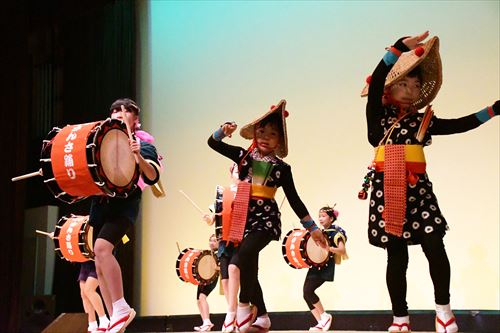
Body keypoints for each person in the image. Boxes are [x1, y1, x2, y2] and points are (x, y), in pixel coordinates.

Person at [360, 31, 499, 333]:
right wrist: (397, 49)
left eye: (416, 85)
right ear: (389, 89)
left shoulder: (424, 122)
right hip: (387, 194)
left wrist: (493, 110)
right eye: (403, 84)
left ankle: (443, 312)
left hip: (419, 193)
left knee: (435, 246)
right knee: (397, 257)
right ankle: (400, 318)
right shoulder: (377, 120)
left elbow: (461, 124)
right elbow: (378, 77)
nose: (410, 90)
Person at [208, 100, 327, 332]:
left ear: (279, 141)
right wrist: (223, 131)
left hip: (266, 220)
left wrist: (313, 228)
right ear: (254, 134)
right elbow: (213, 143)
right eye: (261, 132)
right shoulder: (242, 156)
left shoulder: (283, 168)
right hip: (242, 217)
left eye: (272, 134)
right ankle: (262, 316)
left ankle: (243, 306)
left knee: (245, 254)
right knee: (250, 265)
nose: (265, 137)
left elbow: (295, 200)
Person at [90, 98, 162, 333]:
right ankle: (114, 318)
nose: (118, 115)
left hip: (124, 206)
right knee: (98, 262)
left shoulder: (144, 145)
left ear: (136, 120)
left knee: (102, 248)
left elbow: (152, 177)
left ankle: (121, 307)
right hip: (100, 205)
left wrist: (138, 156)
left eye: (125, 113)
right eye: (114, 113)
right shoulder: (102, 142)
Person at [303, 206, 347, 332]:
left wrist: (328, 249)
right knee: (306, 294)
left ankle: (324, 316)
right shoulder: (320, 231)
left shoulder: (336, 231)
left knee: (309, 291)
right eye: (319, 216)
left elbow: (342, 250)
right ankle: (321, 322)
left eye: (323, 216)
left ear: (331, 218)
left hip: (325, 265)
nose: (320, 219)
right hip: (316, 264)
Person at [193, 234, 220, 332]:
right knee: (198, 300)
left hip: (211, 278)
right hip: (203, 278)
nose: (211, 243)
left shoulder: (220, 254)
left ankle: (207, 322)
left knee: (202, 297)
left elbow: (222, 268)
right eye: (210, 240)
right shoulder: (208, 253)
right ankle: (205, 322)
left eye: (214, 241)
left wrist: (216, 267)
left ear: (219, 243)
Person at [78, 261, 109, 333]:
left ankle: (104, 320)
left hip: (98, 260)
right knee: (84, 293)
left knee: (89, 289)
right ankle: (92, 324)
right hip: (85, 262)